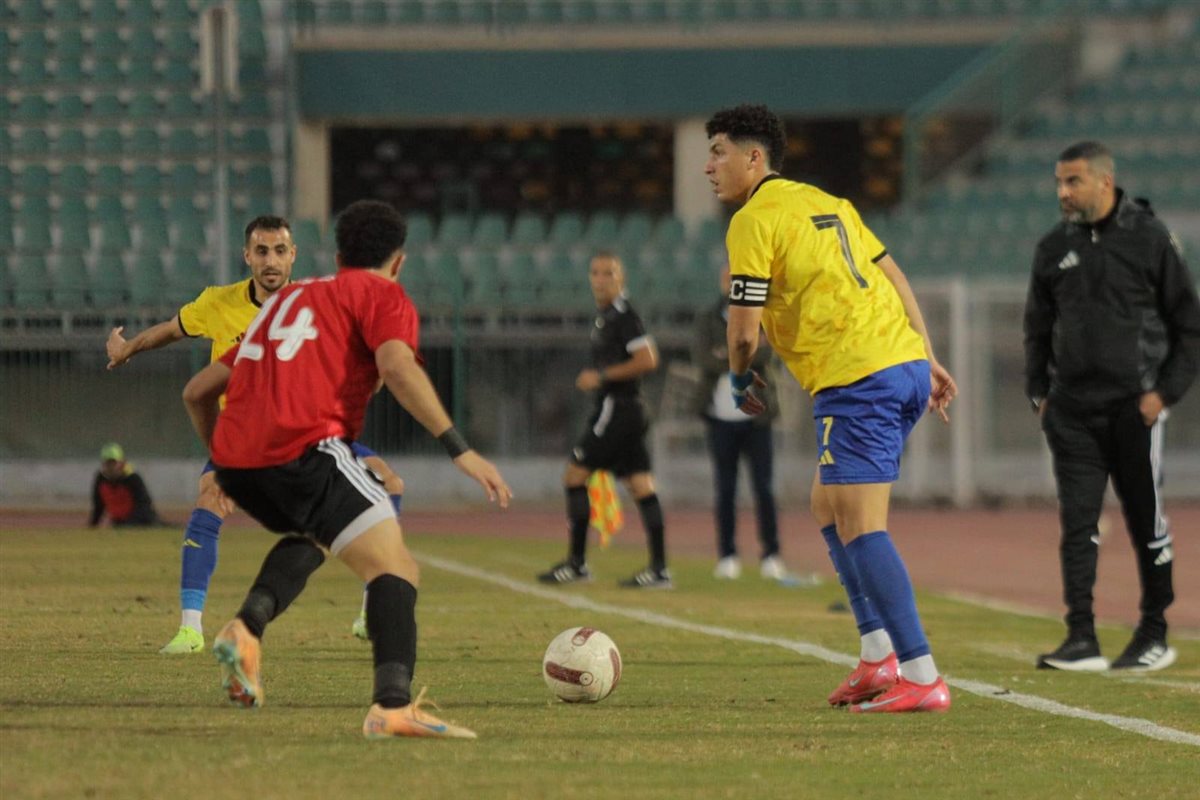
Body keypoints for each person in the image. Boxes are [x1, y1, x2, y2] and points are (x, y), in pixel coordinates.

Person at [182, 199, 511, 739]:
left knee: (317, 534)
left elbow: (197, 391)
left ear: (337, 257)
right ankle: (391, 707)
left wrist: (221, 461)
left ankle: (245, 629)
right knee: (396, 568)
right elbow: (397, 366)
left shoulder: (290, 299)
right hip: (303, 448)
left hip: (238, 458)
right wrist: (460, 449)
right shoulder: (382, 293)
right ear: (398, 262)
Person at [705, 104, 957, 713]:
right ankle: (876, 654)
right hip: (898, 364)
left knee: (862, 525)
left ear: (753, 158)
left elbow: (743, 331)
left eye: (717, 152)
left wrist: (739, 381)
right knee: (827, 503)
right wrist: (927, 357)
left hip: (857, 377)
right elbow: (895, 277)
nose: (709, 166)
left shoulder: (752, 220)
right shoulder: (828, 203)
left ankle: (921, 673)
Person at [106, 215, 406, 653]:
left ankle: (370, 612)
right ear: (247, 255)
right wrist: (128, 348)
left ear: (293, 255)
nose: (271, 261)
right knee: (210, 498)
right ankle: (190, 630)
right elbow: (171, 330)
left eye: (280, 251)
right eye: (262, 251)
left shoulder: (316, 305)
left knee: (388, 482)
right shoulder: (218, 302)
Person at [1024, 141, 1199, 673]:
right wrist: (1041, 395)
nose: (1063, 192)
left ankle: (1154, 633)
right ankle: (1081, 636)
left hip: (1134, 409)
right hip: (1072, 413)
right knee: (1078, 524)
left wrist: (1163, 395)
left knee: (1147, 521)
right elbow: (1036, 329)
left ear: (1105, 181)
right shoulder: (1053, 247)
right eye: (1059, 182)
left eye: (1072, 181)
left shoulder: (1151, 239)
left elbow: (1189, 327)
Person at [537, 252, 671, 589]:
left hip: (618, 408)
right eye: (595, 273)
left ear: (621, 278)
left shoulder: (624, 316)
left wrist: (601, 376)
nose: (600, 279)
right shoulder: (606, 316)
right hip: (629, 410)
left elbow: (648, 359)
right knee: (641, 485)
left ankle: (577, 564)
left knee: (574, 476)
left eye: (608, 273)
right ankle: (659, 570)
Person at [693, 265, 790, 581]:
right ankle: (727, 555)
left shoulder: (761, 314)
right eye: (728, 278)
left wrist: (730, 353)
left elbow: (766, 355)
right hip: (720, 418)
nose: (732, 284)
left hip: (757, 418)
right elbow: (704, 358)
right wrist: (742, 353)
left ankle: (771, 554)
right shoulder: (708, 318)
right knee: (725, 490)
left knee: (764, 489)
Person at [88, 442, 168, 528]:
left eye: (113, 463)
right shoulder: (100, 480)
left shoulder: (132, 479)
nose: (110, 466)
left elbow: (144, 506)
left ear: (121, 463)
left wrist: (129, 523)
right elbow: (99, 506)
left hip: (144, 523)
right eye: (107, 463)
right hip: (120, 524)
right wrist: (92, 526)